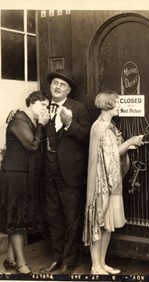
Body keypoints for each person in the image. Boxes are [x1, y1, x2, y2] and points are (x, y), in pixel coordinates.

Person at [83, 90, 144, 275]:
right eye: (116, 102)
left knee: (107, 226)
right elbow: (111, 155)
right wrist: (131, 142)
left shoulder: (109, 125)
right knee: (99, 224)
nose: (119, 106)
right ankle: (96, 266)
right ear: (107, 105)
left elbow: (111, 153)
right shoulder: (101, 127)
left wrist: (126, 145)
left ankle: (102, 263)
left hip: (110, 182)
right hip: (102, 183)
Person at [41, 69, 91, 274]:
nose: (57, 87)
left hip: (70, 172)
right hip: (49, 171)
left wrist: (70, 124)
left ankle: (68, 262)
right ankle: (57, 257)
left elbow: (88, 136)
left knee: (71, 217)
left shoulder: (78, 108)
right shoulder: (43, 107)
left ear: (69, 90)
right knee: (53, 216)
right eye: (55, 83)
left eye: (62, 84)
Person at [0, 91, 50, 274]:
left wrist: (40, 124)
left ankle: (11, 259)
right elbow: (32, 145)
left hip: (22, 175)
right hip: (14, 175)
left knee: (19, 218)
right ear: (31, 103)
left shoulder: (29, 120)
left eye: (46, 106)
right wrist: (42, 125)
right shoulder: (20, 118)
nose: (45, 109)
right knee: (15, 219)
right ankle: (21, 264)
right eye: (42, 105)